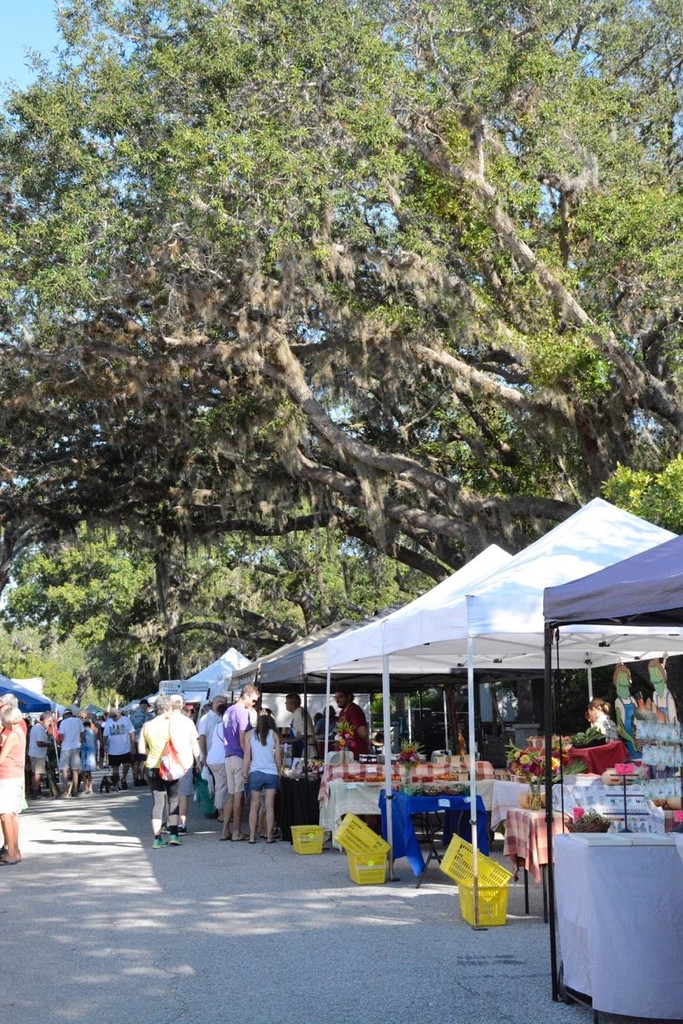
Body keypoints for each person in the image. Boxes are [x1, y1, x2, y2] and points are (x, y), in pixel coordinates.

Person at [138, 695, 184, 848]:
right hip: (169, 766)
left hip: (152, 766)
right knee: (173, 799)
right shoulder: (170, 725)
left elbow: (141, 749)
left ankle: (157, 838)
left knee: (158, 802)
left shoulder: (146, 726)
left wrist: (152, 752)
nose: (172, 711)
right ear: (164, 709)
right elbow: (177, 745)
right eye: (170, 709)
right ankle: (174, 835)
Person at [221, 684, 260, 842]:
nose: (254, 704)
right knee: (238, 795)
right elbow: (242, 735)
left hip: (228, 755)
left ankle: (225, 830)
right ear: (246, 696)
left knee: (232, 794)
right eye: (253, 700)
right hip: (239, 756)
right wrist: (248, 757)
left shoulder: (228, 711)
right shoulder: (242, 712)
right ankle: (236, 831)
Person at [243, 709, 281, 843]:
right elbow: (278, 757)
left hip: (256, 772)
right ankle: (269, 836)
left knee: (254, 805)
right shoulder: (274, 735)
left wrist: (244, 772)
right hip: (271, 772)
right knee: (270, 805)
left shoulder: (249, 734)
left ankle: (252, 836)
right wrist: (279, 772)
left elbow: (247, 756)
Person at [169, 696, 202, 835]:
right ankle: (181, 824)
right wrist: (198, 761)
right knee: (183, 794)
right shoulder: (188, 722)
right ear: (182, 704)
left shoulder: (166, 720)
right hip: (185, 762)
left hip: (169, 762)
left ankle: (170, 823)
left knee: (170, 794)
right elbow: (194, 743)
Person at [0, 705, 27, 864]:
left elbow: (1, 759)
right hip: (15, 776)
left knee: (5, 815)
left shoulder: (12, 736)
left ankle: (10, 852)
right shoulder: (20, 733)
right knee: (13, 815)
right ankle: (15, 850)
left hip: (7, 776)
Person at [203, 699, 229, 823]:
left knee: (219, 785)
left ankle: (221, 812)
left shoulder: (217, 725)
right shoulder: (226, 726)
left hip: (213, 758)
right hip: (220, 759)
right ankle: (221, 813)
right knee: (222, 787)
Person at [102, 707, 136, 789]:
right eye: (111, 716)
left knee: (126, 765)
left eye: (114, 716)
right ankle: (116, 782)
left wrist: (133, 746)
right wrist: (103, 744)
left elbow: (131, 733)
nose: (113, 718)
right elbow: (105, 735)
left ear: (118, 714)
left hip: (125, 748)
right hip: (113, 749)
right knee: (115, 767)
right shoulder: (108, 722)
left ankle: (124, 778)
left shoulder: (126, 720)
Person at [613, 663, 639, 759]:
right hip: (629, 736)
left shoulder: (632, 699)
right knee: (635, 759)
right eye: (624, 676)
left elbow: (639, 717)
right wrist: (631, 739)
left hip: (638, 734)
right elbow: (619, 728)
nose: (628, 678)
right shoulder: (618, 701)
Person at [334, 689, 369, 757]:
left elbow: (361, 731)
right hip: (345, 752)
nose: (337, 700)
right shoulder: (342, 712)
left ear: (349, 697)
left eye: (341, 697)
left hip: (356, 752)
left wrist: (369, 742)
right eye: (336, 697)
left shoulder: (354, 710)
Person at [57, 708, 84, 797]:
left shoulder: (63, 722)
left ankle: (65, 791)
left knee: (64, 769)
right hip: (76, 746)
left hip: (66, 747)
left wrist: (60, 742)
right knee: (75, 770)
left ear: (65, 715)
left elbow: (61, 736)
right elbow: (82, 733)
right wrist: (81, 742)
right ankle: (75, 790)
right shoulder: (78, 721)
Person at [128, 699, 154, 785]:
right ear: (146, 705)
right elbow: (149, 728)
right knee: (142, 760)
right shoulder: (147, 715)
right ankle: (142, 778)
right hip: (143, 740)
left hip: (133, 740)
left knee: (135, 761)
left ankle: (136, 779)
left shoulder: (132, 714)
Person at [285, 693, 317, 759]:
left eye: (287, 701)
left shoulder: (299, 713)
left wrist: (291, 740)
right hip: (302, 748)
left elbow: (304, 733)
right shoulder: (298, 712)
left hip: (305, 750)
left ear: (293, 703)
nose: (285, 703)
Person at [28, 712, 52, 799]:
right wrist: (49, 743)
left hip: (34, 753)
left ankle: (36, 791)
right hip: (38, 754)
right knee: (37, 774)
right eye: (49, 721)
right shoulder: (40, 729)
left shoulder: (35, 727)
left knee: (36, 773)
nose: (50, 723)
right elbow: (39, 743)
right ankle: (35, 793)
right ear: (45, 720)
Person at [648, 658, 678, 724]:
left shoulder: (669, 697)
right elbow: (655, 713)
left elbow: (673, 719)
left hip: (668, 726)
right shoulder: (655, 694)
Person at [80, 718, 98, 794]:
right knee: (89, 771)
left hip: (84, 751)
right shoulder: (92, 732)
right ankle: (90, 787)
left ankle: (86, 787)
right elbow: (94, 742)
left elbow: (82, 740)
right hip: (91, 751)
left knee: (83, 771)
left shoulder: (84, 731)